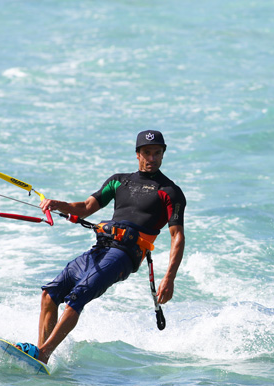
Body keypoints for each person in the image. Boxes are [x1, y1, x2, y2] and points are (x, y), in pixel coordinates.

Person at [16, 130, 186, 364]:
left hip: (126, 255)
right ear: (138, 154)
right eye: (147, 153)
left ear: (163, 154)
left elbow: (177, 236)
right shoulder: (119, 181)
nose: (152, 158)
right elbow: (86, 207)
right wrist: (58, 204)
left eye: (157, 153)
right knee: (50, 294)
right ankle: (39, 353)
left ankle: (43, 354)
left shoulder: (170, 192)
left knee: (79, 295)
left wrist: (169, 278)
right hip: (101, 248)